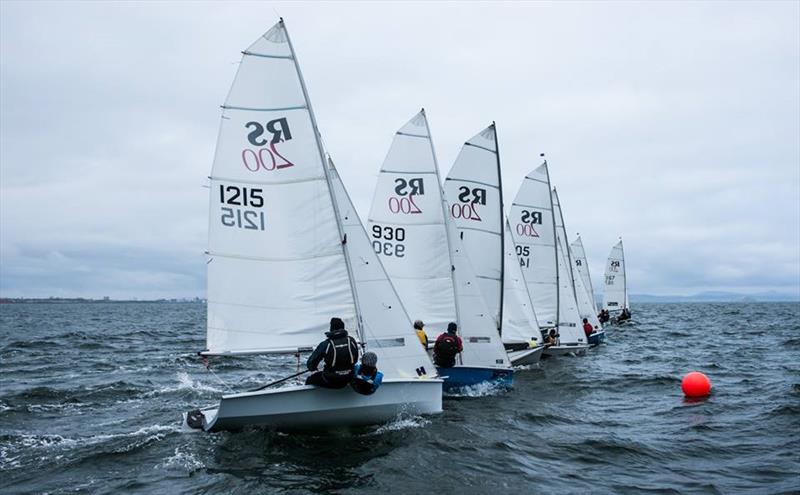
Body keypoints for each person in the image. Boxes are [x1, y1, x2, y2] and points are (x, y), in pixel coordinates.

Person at [305, 317, 360, 389]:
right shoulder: (352, 341)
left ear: (331, 329)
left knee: (310, 379)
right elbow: (355, 359)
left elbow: (311, 364)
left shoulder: (326, 344)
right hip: (349, 377)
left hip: (331, 380)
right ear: (343, 328)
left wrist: (313, 368)